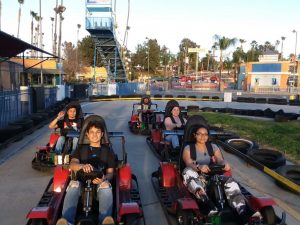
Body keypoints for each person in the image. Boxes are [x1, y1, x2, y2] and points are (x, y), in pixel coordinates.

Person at [182, 125, 261, 222]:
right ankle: (207, 204)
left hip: (212, 175)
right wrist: (199, 167)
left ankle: (242, 210)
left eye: (205, 134)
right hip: (197, 177)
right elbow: (189, 163)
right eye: (200, 134)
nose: (203, 136)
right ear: (194, 135)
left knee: (230, 181)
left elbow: (220, 160)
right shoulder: (188, 148)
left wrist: (225, 164)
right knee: (188, 171)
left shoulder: (213, 146)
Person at [56, 120, 115, 225]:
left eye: (97, 132)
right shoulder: (80, 149)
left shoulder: (108, 152)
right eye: (92, 132)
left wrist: (104, 179)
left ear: (102, 134)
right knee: (73, 184)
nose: (94, 135)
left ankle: (105, 220)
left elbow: (110, 173)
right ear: (87, 134)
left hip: (99, 181)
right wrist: (82, 166)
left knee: (106, 186)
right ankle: (67, 221)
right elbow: (73, 164)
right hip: (81, 181)